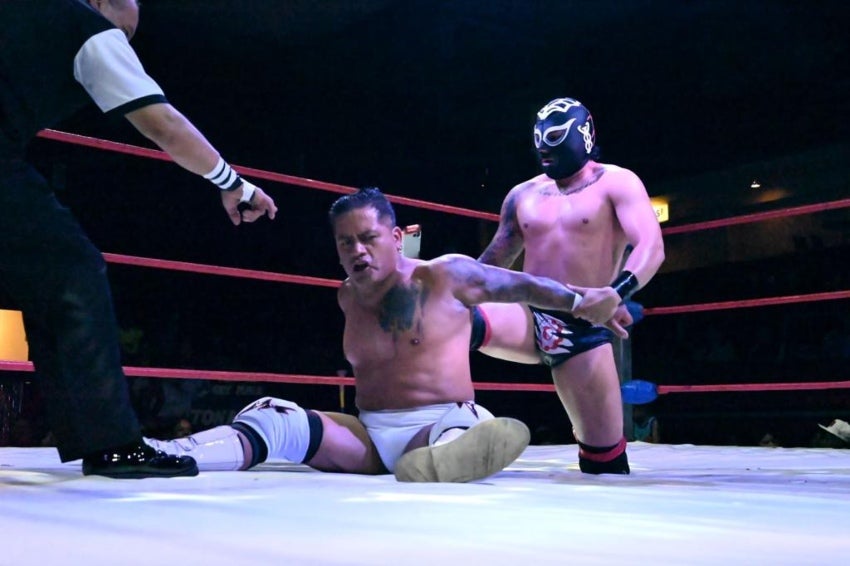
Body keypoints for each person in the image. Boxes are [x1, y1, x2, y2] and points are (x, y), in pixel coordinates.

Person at [147, 187, 628, 482]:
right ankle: (173, 455)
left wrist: (581, 301)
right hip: (370, 438)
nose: (357, 251)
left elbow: (521, 284)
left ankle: (451, 454)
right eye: (346, 243)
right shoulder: (346, 296)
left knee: (465, 428)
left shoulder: (445, 276)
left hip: (437, 422)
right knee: (273, 418)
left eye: (368, 238)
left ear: (395, 239)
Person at [0, 0, 278, 478]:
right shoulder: (88, 28)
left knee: (53, 274)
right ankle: (110, 444)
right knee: (72, 275)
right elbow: (163, 124)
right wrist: (233, 182)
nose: (126, 44)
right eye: (126, 34)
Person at [476, 97, 665, 474]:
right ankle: (446, 425)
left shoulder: (616, 182)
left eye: (555, 137)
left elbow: (652, 245)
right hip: (527, 315)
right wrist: (437, 286)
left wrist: (616, 293)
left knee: (604, 462)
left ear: (583, 134)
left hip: (581, 324)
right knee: (450, 317)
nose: (544, 147)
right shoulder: (522, 194)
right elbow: (490, 264)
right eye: (538, 138)